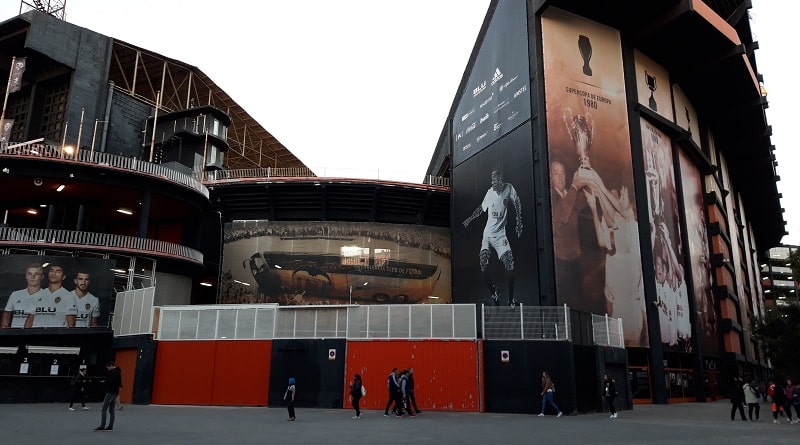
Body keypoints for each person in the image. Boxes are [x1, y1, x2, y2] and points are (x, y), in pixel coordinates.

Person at [462, 165, 522, 307]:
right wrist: (469, 219)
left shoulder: (509, 189)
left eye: (497, 181)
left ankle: (511, 299)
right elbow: (480, 209)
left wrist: (519, 222)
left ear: (501, 181)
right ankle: (494, 292)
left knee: (510, 266)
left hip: (501, 236)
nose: (494, 184)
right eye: (493, 181)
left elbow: (517, 203)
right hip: (488, 236)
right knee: (483, 266)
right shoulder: (489, 194)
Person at [25, 263, 77, 328]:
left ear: (63, 277)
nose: (53, 274)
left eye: (58, 271)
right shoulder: (37, 294)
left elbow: (71, 324)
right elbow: (29, 321)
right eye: (51, 271)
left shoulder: (68, 296)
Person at [2, 263, 44, 328]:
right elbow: (7, 313)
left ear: (42, 276)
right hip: (15, 334)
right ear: (26, 276)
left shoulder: (47, 295)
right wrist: (4, 330)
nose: (32, 277)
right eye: (29, 274)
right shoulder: (15, 294)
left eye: (36, 274)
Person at [95, 361, 122, 431]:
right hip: (115, 392)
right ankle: (110, 426)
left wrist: (105, 381)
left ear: (111, 366)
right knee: (111, 410)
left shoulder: (113, 372)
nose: (107, 369)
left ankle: (102, 426)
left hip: (110, 392)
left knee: (104, 409)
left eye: (108, 368)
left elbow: (110, 381)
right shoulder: (118, 372)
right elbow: (119, 382)